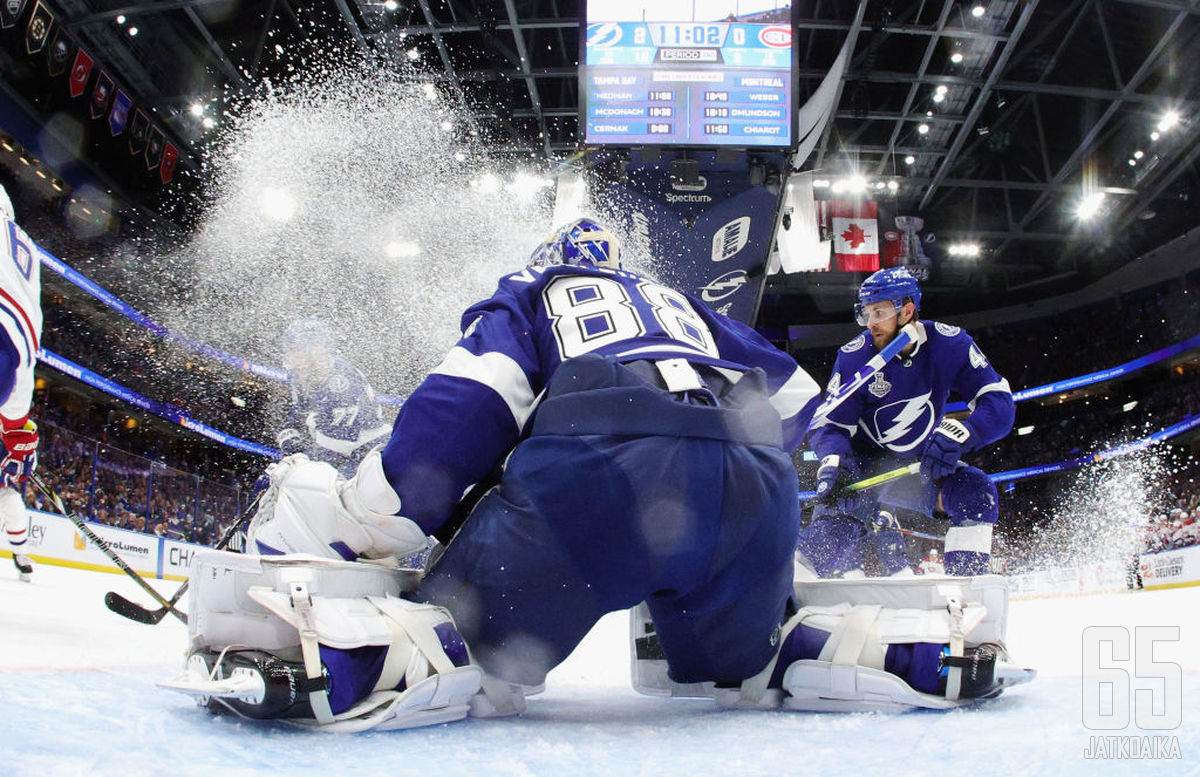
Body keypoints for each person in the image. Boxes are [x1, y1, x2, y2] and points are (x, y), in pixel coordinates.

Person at [167, 221, 1030, 729]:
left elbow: (471, 405)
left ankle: (344, 663)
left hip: (599, 483)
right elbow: (802, 398)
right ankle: (883, 650)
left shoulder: (534, 287)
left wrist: (378, 514)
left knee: (471, 640)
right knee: (746, 662)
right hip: (751, 497)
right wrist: (838, 469)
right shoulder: (683, 305)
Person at [796, 267, 1014, 578]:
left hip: (917, 467)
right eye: (866, 313)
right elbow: (831, 426)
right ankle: (788, 591)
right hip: (863, 469)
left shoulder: (950, 344)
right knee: (836, 525)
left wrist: (965, 431)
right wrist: (836, 464)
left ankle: (967, 588)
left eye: (879, 312)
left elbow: (999, 403)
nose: (871, 323)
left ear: (907, 310)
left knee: (976, 493)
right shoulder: (855, 356)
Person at [275, 319, 393, 477]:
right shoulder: (297, 375)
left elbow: (341, 439)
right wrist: (288, 434)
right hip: (339, 448)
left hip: (367, 449)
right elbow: (300, 412)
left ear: (317, 349)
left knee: (322, 491)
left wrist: (304, 453)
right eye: (290, 351)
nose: (294, 359)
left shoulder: (342, 380)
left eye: (298, 351)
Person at [0, 185, 41, 582]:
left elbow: (19, 468)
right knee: (10, 500)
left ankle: (21, 555)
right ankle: (22, 556)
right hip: (14, 351)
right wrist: (16, 422)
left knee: (11, 499)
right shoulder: (26, 249)